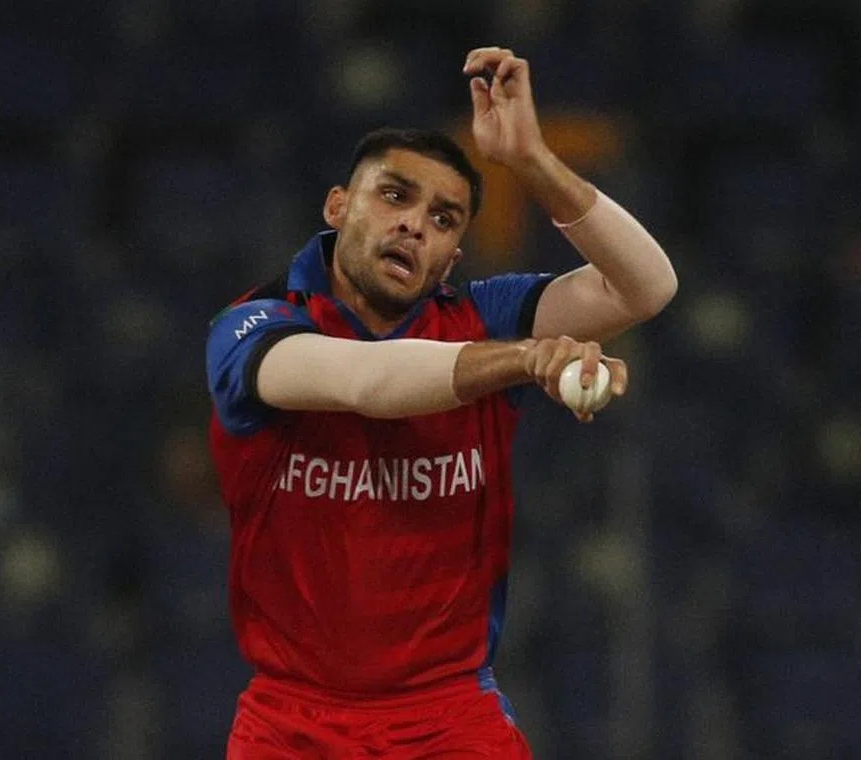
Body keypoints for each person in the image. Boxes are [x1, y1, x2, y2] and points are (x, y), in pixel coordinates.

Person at [205, 46, 677, 759]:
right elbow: (367, 383)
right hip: (291, 723)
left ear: (452, 257)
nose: (415, 225)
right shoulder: (255, 325)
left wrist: (530, 161)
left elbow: (647, 287)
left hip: (449, 718)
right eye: (394, 196)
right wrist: (526, 359)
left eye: (444, 218)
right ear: (339, 206)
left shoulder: (482, 315)